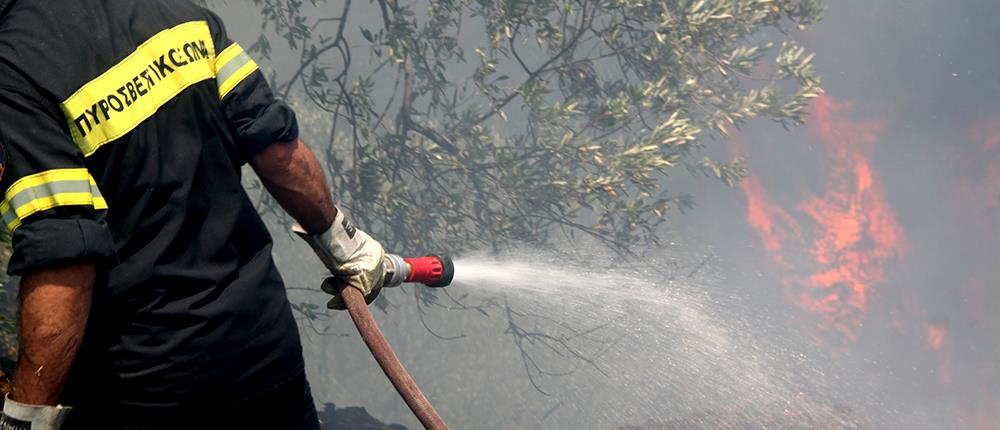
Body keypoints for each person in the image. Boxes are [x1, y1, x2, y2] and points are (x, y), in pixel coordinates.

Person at [0, 0, 388, 428]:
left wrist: (23, 418)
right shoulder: (180, 12)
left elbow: (65, 252)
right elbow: (279, 152)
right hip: (263, 349)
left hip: (148, 390)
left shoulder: (14, 71)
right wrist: (342, 240)